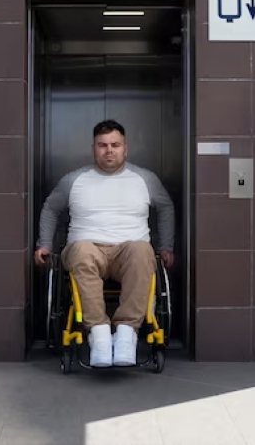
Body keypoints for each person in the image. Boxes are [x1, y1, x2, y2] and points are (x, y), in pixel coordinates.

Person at [34, 119, 175, 368]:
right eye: (102, 145)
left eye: (115, 144)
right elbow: (50, 208)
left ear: (125, 148)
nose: (109, 150)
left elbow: (166, 208)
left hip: (130, 251)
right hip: (87, 248)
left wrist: (167, 246)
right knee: (81, 250)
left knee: (143, 251)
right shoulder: (74, 180)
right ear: (94, 149)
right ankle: (98, 335)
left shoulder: (145, 179)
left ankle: (126, 335)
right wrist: (44, 243)